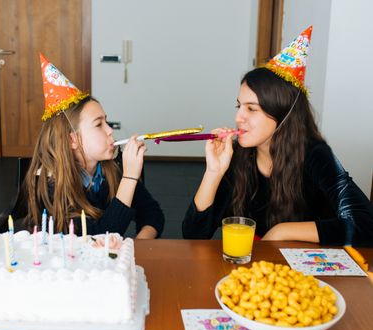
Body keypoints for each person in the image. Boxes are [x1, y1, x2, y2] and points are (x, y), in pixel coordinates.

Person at [182, 26, 373, 246]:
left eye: (251, 109)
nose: (238, 117)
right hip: (255, 269)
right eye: (239, 106)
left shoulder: (315, 155)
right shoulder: (237, 156)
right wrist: (214, 172)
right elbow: (193, 236)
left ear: (282, 115)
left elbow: (365, 225)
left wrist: (282, 231)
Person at [19, 54, 164, 238]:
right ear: (72, 140)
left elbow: (152, 213)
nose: (110, 130)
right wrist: (129, 178)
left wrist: (140, 244)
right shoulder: (50, 183)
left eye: (107, 121)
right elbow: (94, 240)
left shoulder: (112, 167)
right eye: (98, 124)